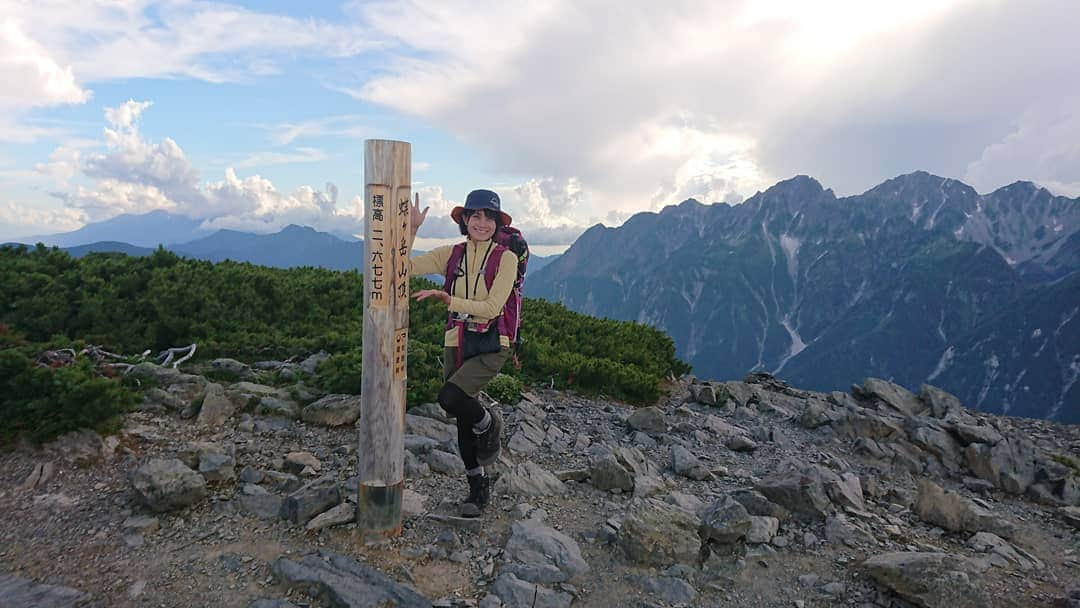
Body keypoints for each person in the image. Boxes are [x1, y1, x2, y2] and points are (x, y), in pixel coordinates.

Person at [408, 189, 517, 517]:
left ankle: (489, 422)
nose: (482, 222)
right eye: (475, 216)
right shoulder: (452, 254)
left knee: (450, 399)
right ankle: (477, 488)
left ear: (496, 223)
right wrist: (412, 230)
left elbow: (492, 307)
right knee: (460, 418)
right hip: (457, 340)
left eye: (489, 217)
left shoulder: (505, 259)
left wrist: (448, 300)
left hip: (492, 343)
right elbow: (405, 267)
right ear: (465, 220)